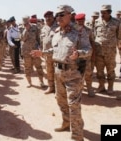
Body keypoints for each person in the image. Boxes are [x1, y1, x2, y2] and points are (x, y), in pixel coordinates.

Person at [31, 5, 91, 141]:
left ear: (70, 15)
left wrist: (79, 54)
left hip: (73, 73)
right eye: (57, 15)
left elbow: (89, 50)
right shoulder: (57, 33)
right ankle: (66, 123)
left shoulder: (79, 32)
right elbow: (54, 50)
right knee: (61, 101)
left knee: (73, 105)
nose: (58, 17)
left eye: (61, 14)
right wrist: (43, 52)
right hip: (58, 73)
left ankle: (77, 135)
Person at [94, 5, 121, 94]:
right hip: (99, 51)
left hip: (110, 51)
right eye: (101, 12)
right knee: (99, 70)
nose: (102, 14)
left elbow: (119, 36)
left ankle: (110, 87)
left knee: (110, 70)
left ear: (109, 12)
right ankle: (101, 86)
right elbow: (94, 35)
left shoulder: (116, 22)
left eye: (104, 13)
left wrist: (118, 45)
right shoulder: (97, 21)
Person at [75, 13, 95, 97]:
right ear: (76, 21)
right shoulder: (72, 30)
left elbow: (92, 41)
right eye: (79, 21)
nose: (80, 22)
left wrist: (93, 53)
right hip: (75, 56)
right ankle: (78, 90)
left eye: (82, 20)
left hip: (86, 55)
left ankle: (89, 88)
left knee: (88, 73)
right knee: (76, 74)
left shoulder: (88, 30)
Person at [21, 16, 45, 88]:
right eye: (24, 23)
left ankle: (41, 81)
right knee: (27, 68)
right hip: (26, 52)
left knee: (39, 67)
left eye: (26, 22)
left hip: (35, 51)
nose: (25, 24)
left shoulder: (35, 27)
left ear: (28, 21)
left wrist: (40, 48)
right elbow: (22, 39)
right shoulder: (22, 28)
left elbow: (39, 38)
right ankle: (29, 83)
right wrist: (26, 30)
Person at [40, 10, 58, 94]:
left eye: (49, 16)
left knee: (58, 72)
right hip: (46, 54)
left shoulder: (58, 26)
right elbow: (41, 40)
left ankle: (58, 89)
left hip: (56, 54)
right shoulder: (43, 28)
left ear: (53, 16)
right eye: (46, 17)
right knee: (49, 71)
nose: (48, 18)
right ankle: (51, 87)